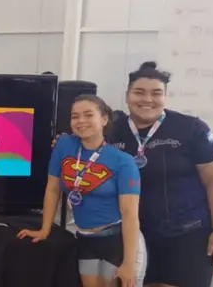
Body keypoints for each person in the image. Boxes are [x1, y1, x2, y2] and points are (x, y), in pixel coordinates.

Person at [110, 61, 213, 287]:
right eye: (139, 92)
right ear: (127, 96)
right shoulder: (111, 131)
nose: (147, 99)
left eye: (156, 93)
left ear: (165, 97)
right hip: (132, 237)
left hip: (187, 236)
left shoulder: (191, 128)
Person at [21, 94, 145, 287]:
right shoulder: (64, 145)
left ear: (104, 119)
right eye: (75, 116)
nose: (81, 121)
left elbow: (129, 214)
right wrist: (44, 229)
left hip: (117, 240)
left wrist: (129, 263)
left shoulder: (123, 161)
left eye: (88, 115)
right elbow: (53, 189)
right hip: (85, 239)